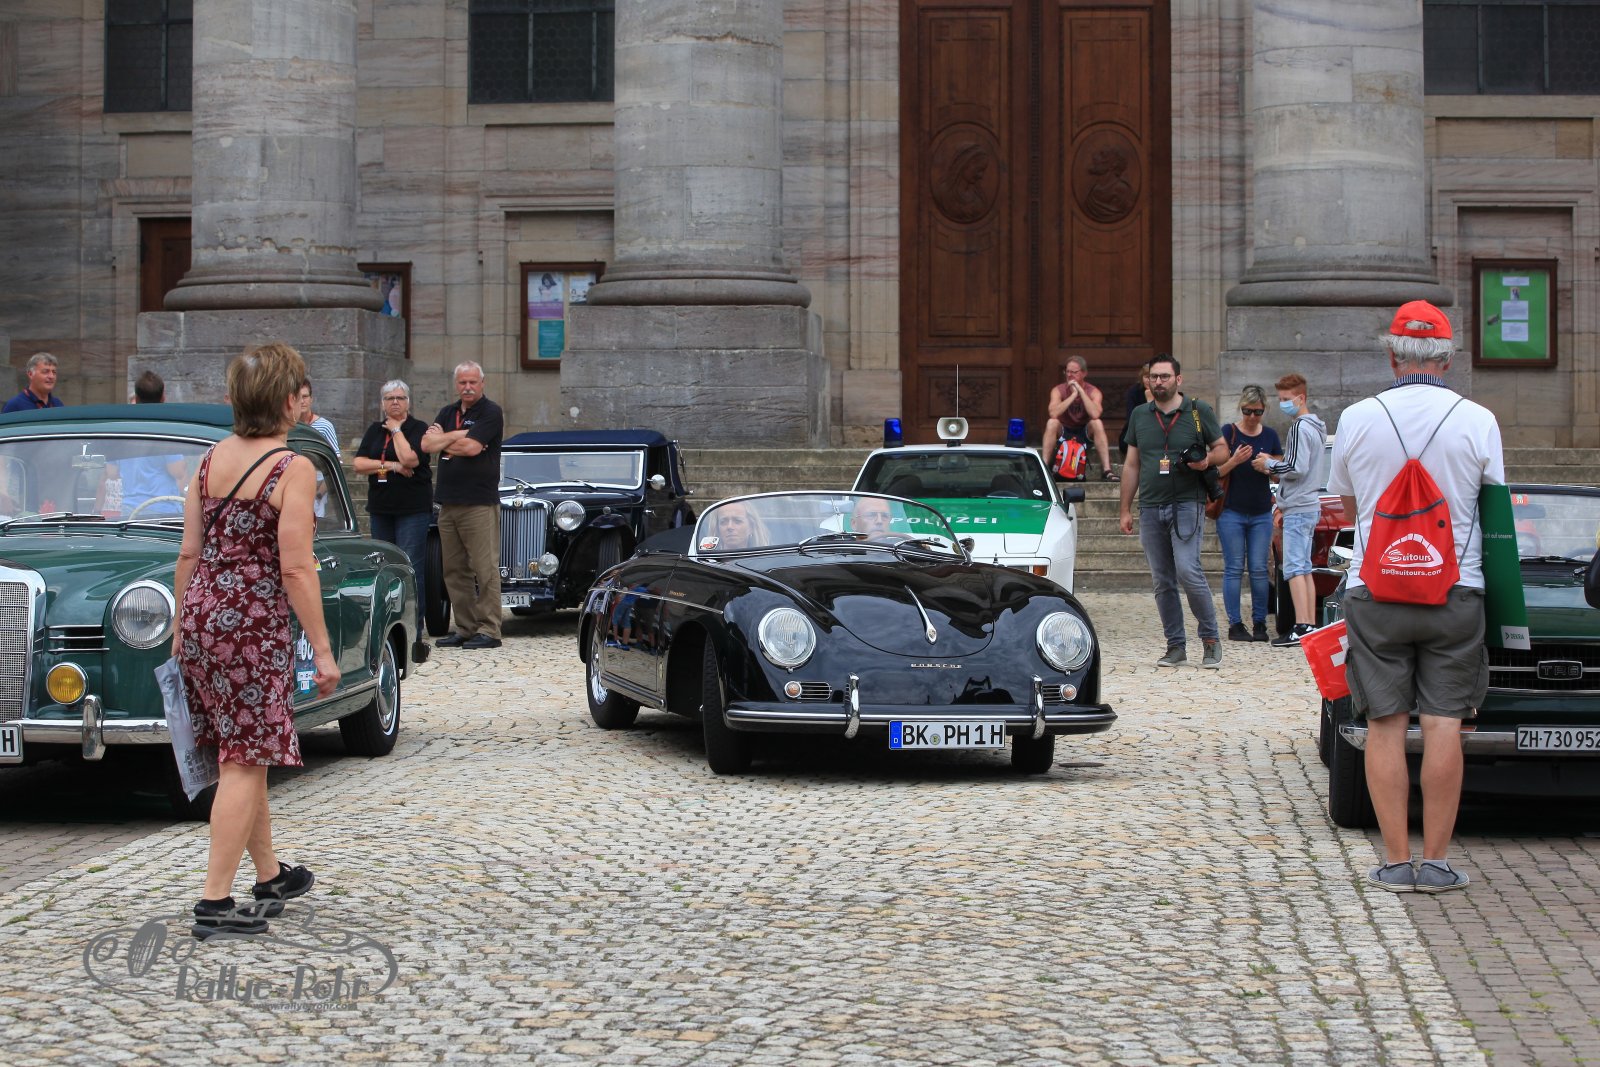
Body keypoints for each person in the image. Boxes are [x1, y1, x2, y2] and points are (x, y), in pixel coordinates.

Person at [1328, 300, 1503, 894]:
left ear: (1392, 355)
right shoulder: (1478, 420)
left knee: (1384, 722)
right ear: (1448, 359)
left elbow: (1347, 507)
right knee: (1444, 723)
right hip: (1456, 589)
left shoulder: (1357, 418)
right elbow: (1494, 511)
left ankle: (1396, 862)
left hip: (1376, 590)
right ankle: (1438, 863)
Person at [172, 341, 338, 939]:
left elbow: (189, 552)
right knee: (244, 760)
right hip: (251, 626)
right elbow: (295, 567)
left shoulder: (208, 460)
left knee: (243, 751)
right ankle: (214, 903)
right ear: (289, 401)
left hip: (201, 617)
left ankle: (270, 876)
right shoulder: (292, 468)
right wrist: (322, 651)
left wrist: (180, 630)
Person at [1117, 355, 1228, 668]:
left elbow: (1223, 449)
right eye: (1154, 376)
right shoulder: (1140, 415)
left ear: (1178, 379)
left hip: (1187, 503)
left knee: (1188, 570)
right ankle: (1175, 645)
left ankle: (1210, 639)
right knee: (1162, 580)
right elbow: (1132, 464)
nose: (1159, 382)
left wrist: (1207, 461)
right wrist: (1125, 508)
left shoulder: (1197, 411)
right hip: (1151, 506)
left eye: (1165, 376)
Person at [423, 361, 504, 650]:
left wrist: (443, 439)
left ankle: (490, 629)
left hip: (478, 502)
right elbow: (426, 445)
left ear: (482, 383)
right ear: (456, 384)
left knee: (484, 568)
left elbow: (472, 448)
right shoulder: (447, 412)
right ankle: (466, 628)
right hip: (448, 502)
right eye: (462, 382)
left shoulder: (491, 412)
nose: (467, 387)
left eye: (472, 382)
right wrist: (459, 436)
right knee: (454, 570)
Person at [1253, 372, 1327, 646]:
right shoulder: (1317, 427)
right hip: (1310, 503)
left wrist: (1268, 464)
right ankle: (1308, 623)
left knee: (1295, 568)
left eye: (1286, 399)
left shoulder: (1299, 427)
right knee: (1304, 567)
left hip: (1297, 504)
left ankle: (1302, 625)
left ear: (1300, 398)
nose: (1283, 403)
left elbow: (1296, 467)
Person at [352, 380, 432, 600]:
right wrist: (392, 466)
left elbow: (410, 459)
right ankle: (388, 615)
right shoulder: (375, 430)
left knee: (409, 565)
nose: (395, 402)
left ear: (408, 402)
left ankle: (413, 618)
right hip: (381, 508)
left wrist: (396, 429)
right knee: (384, 565)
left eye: (400, 398)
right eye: (389, 398)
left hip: (412, 509)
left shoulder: (419, 428)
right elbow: (358, 464)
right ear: (382, 403)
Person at [1215, 385, 1281, 642]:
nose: (1252, 417)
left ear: (1264, 410)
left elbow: (1280, 475)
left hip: (1261, 512)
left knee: (1258, 569)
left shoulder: (1270, 435)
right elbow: (1215, 472)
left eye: (1257, 412)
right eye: (1247, 411)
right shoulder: (1228, 432)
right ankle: (1235, 624)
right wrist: (1235, 460)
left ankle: (1260, 623)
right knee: (1233, 568)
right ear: (1240, 408)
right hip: (1231, 511)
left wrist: (1268, 466)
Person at [115, 370, 188, 518]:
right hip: (162, 508)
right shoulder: (165, 431)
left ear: (136, 398)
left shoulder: (122, 430)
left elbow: (112, 472)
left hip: (129, 508)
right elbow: (178, 471)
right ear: (163, 398)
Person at [1044, 356, 1118, 481]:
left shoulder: (1093, 391)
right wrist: (1073, 395)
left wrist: (1081, 392)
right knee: (1052, 422)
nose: (1069, 375)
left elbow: (1095, 414)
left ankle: (1107, 470)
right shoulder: (1058, 390)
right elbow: (1053, 413)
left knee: (1097, 423)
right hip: (1065, 432)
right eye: (1067, 371)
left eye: (1074, 372)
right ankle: (1044, 468)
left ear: (1084, 373)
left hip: (1083, 433)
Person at [1118, 362, 1152, 458]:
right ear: (1142, 377)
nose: (1149, 380)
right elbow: (1131, 418)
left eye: (1152, 377)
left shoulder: (1162, 392)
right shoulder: (1134, 391)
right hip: (1135, 431)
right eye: (1146, 377)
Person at [297, 379, 339, 451]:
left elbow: (335, 456)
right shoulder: (286, 426)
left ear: (311, 399)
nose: (302, 401)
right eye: (298, 397)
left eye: (305, 396)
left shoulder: (325, 426)